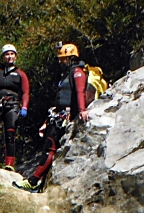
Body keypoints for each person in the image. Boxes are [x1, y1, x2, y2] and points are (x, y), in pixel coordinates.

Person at [14, 43, 89, 192]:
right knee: (48, 148)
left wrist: (82, 110)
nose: (60, 62)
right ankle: (38, 181)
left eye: (63, 59)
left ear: (71, 58)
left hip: (64, 116)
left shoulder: (77, 72)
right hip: (57, 114)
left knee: (50, 148)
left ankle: (33, 181)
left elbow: (80, 92)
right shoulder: (67, 74)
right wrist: (46, 121)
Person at [0, 44, 30, 168]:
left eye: (12, 54)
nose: (9, 57)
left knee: (10, 134)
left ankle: (9, 164)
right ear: (3, 57)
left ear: (16, 56)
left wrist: (24, 107)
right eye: (7, 54)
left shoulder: (21, 74)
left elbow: (25, 92)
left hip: (12, 105)